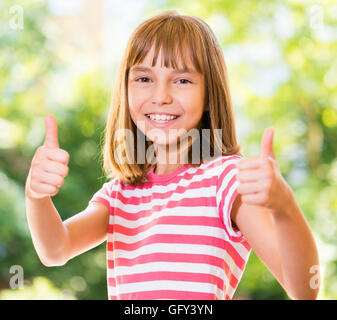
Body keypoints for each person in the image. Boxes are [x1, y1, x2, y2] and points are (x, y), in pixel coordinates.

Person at [25, 10, 320, 300]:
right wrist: (36, 196)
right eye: (144, 79)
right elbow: (55, 250)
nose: (161, 96)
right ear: (126, 90)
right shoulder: (120, 194)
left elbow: (303, 289)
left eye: (182, 81)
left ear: (209, 94)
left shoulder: (227, 181)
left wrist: (284, 208)